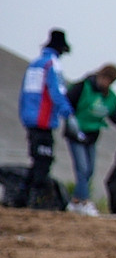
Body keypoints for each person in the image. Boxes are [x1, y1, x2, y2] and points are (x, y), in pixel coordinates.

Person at [61, 64, 116, 216]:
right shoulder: (82, 86)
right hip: (76, 135)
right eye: (105, 78)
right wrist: (70, 118)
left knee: (90, 169)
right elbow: (66, 102)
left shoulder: (109, 97)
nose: (105, 82)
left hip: (91, 137)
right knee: (82, 168)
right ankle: (85, 201)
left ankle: (75, 201)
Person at [14, 28, 73, 210]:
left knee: (37, 159)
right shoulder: (52, 65)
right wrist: (68, 115)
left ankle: (22, 198)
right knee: (43, 161)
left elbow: (24, 94)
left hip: (30, 119)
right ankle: (32, 200)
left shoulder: (34, 64)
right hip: (43, 121)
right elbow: (57, 92)